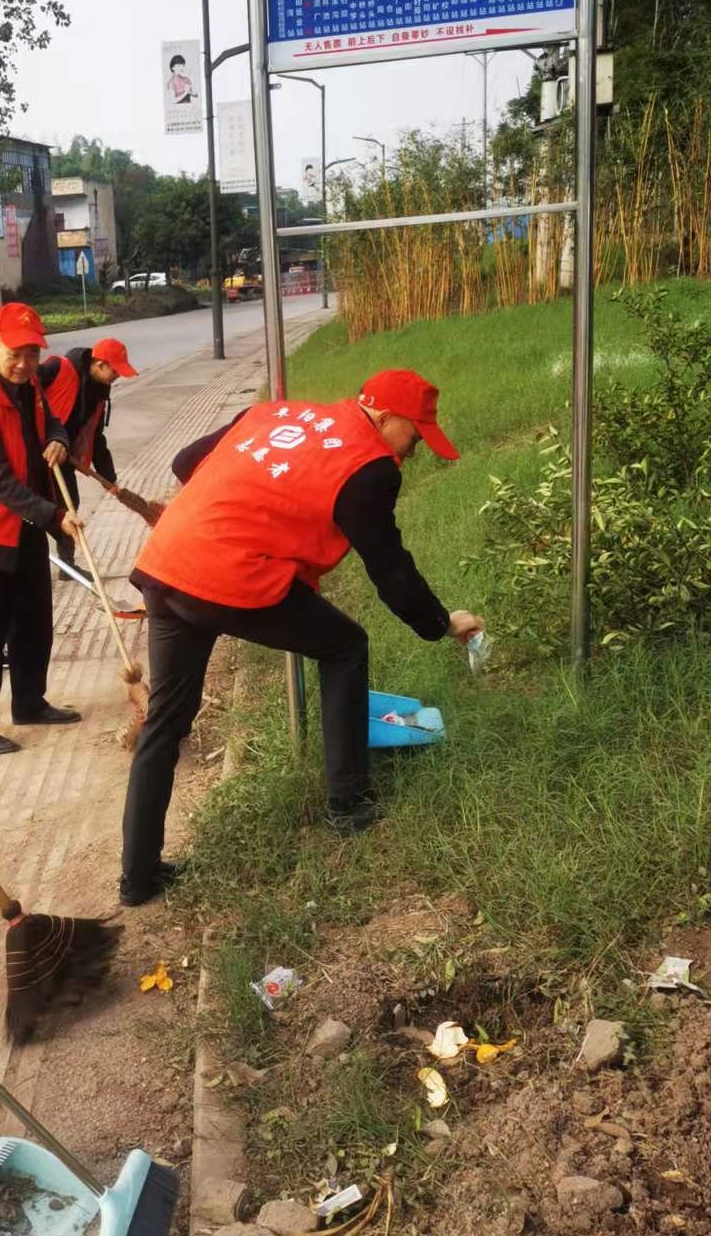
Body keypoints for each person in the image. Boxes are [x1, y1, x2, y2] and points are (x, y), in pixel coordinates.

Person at [118, 369, 485, 905]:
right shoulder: (370, 467)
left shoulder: (275, 412)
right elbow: (391, 570)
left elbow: (184, 461)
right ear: (386, 419)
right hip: (229, 575)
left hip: (168, 561)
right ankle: (349, 805)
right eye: (415, 436)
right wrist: (441, 623)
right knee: (345, 646)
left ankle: (137, 877)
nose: (414, 451)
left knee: (165, 720)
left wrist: (236, 509)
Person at [0, 302, 84, 754]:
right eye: (15, 353)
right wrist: (55, 517)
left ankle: (29, 702)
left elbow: (52, 422)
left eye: (32, 353)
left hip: (25, 523)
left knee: (33, 620)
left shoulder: (31, 384)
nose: (25, 363)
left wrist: (58, 440)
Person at [38, 337, 139, 577]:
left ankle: (67, 566)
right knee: (35, 512)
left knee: (70, 505)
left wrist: (109, 479)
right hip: (37, 453)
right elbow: (27, 389)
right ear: (100, 364)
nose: (118, 376)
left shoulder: (99, 393)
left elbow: (96, 437)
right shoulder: (59, 368)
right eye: (115, 370)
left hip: (64, 457)